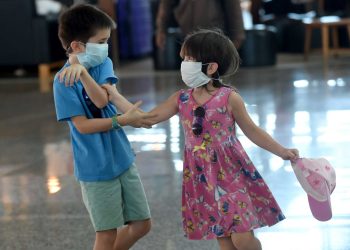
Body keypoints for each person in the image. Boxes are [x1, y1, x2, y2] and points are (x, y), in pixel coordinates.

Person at [105, 29, 299, 250]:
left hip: (232, 173)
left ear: (212, 67)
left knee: (242, 238)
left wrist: (282, 151)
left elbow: (252, 130)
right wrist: (116, 96)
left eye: (189, 59)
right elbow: (148, 119)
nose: (184, 64)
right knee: (225, 240)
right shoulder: (181, 98)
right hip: (202, 177)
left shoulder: (229, 97)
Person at [53, 4, 153, 250]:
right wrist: (121, 120)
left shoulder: (101, 62)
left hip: (122, 158)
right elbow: (83, 127)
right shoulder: (62, 81)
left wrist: (85, 74)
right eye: (102, 40)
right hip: (95, 169)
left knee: (142, 224)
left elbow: (101, 100)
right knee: (106, 235)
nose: (106, 46)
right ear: (77, 46)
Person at [155, 0, 246, 50]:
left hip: (215, 36)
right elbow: (166, 4)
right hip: (188, 35)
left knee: (214, 75)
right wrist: (161, 29)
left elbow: (233, 7)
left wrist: (238, 36)